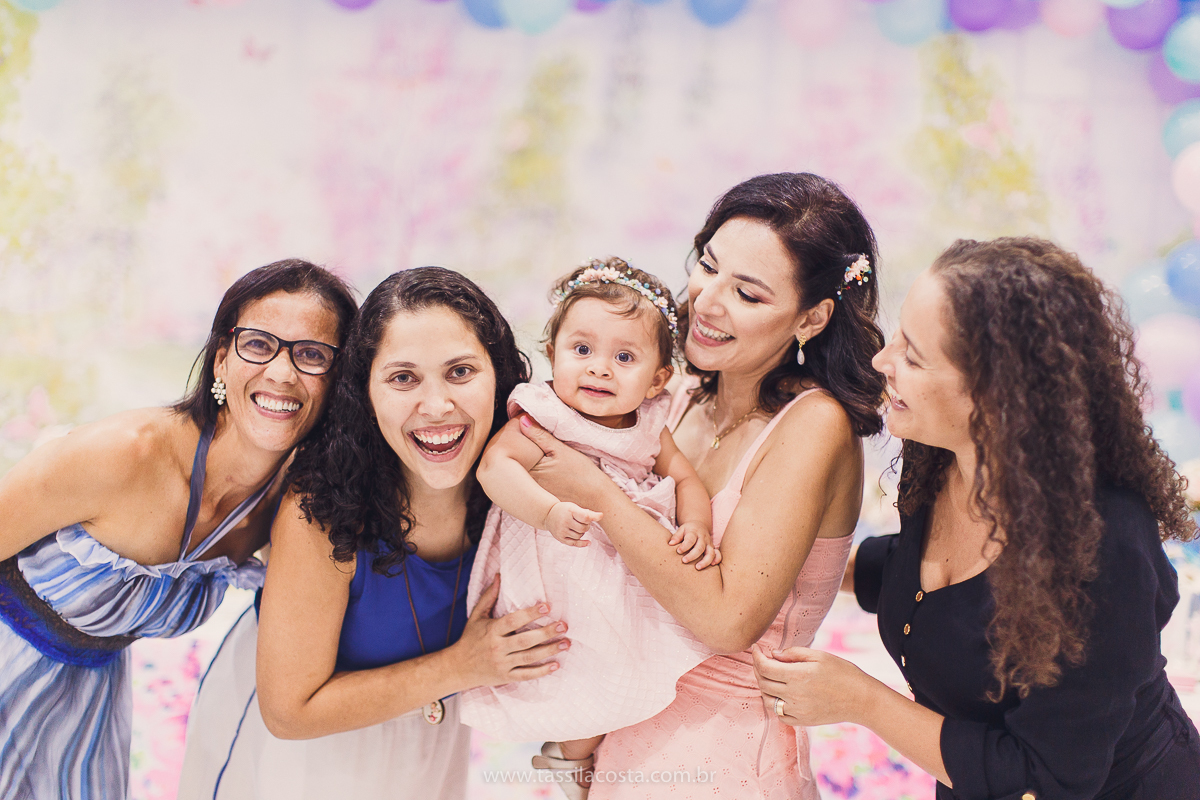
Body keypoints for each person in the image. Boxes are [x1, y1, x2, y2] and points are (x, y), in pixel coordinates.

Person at [753, 237, 1200, 800]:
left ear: (996, 398)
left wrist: (861, 700)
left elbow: (1045, 779)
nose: (880, 362)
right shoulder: (941, 457)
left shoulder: (1104, 551)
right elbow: (929, 583)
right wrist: (783, 556)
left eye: (913, 357)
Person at [516, 173, 887, 799]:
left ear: (813, 316)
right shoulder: (674, 397)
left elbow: (726, 621)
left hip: (724, 761)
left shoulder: (814, 425)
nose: (707, 301)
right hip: (615, 738)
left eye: (746, 292)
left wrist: (596, 494)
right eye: (708, 266)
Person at [180, 267, 568, 800]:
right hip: (306, 755)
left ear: (499, 378)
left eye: (460, 372)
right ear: (364, 393)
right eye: (403, 378)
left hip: (430, 740)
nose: (436, 407)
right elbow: (289, 712)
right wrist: (461, 666)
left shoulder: (522, 491)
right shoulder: (320, 510)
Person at [0, 259, 357, 800]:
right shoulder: (123, 455)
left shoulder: (289, 503)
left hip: (86, 704)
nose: (282, 373)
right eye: (258, 344)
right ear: (221, 361)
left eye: (311, 355)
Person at [459, 258, 719, 796]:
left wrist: (695, 526)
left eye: (624, 357)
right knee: (562, 659)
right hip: (552, 561)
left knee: (620, 664)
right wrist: (548, 512)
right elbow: (495, 468)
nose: (600, 368)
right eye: (582, 350)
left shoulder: (652, 425)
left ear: (658, 379)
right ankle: (568, 760)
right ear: (552, 355)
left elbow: (686, 479)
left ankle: (576, 757)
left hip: (622, 569)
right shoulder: (543, 412)